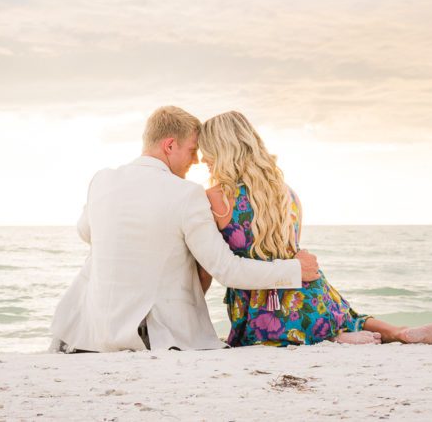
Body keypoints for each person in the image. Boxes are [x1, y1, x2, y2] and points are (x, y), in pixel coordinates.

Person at [49, 106, 321, 352]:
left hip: (90, 332)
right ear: (170, 145)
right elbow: (226, 269)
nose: (197, 161)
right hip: (153, 337)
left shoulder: (103, 180)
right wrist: (293, 269)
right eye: (192, 150)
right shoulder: (186, 194)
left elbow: (85, 232)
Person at [197, 110, 432, 347]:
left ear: (221, 150)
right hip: (311, 294)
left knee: (278, 336)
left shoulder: (215, 199)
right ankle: (399, 332)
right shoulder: (288, 194)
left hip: (264, 310)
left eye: (206, 149)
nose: (202, 158)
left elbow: (211, 265)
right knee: (352, 317)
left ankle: (334, 338)